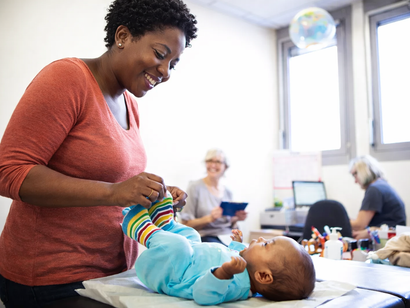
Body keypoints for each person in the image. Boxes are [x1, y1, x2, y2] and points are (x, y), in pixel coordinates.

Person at [0, 0, 197, 307]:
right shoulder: (67, 78)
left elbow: (116, 184)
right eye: (160, 54)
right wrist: (113, 192)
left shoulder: (130, 105)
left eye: (173, 64)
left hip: (112, 275)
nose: (166, 72)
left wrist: (154, 194)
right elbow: (9, 171)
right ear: (122, 36)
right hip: (52, 280)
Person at [122, 192, 316, 305]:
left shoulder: (236, 286)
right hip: (190, 258)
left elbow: (202, 295)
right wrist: (238, 245)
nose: (263, 238)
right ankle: (165, 225)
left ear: (263, 276)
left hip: (172, 274)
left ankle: (140, 229)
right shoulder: (244, 267)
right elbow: (233, 256)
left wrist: (223, 273)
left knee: (179, 245)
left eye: (266, 244)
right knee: (192, 237)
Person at [180, 148, 247, 245]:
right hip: (206, 237)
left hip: (227, 236)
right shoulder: (194, 187)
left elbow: (227, 223)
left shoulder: (228, 192)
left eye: (218, 162)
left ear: (225, 166)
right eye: (210, 161)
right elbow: (185, 224)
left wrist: (236, 218)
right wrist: (210, 218)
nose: (213, 165)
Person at [349, 155, 406, 240]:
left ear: (362, 172)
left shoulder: (374, 189)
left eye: (355, 175)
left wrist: (339, 220)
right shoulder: (381, 185)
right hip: (393, 235)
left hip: (389, 238)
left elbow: (359, 225)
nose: (355, 181)